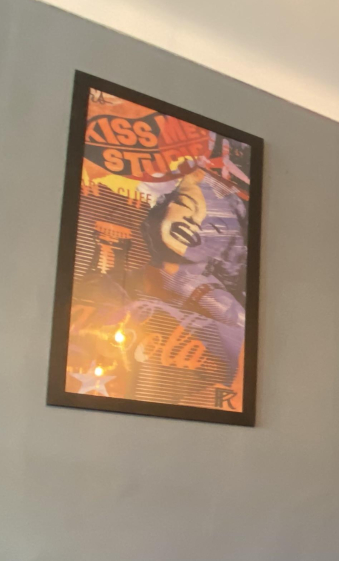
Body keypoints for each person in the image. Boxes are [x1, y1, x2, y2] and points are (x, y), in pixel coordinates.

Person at [66, 168, 249, 411]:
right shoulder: (108, 285)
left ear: (229, 242)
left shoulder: (229, 312)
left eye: (215, 223)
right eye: (185, 204)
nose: (195, 220)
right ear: (162, 209)